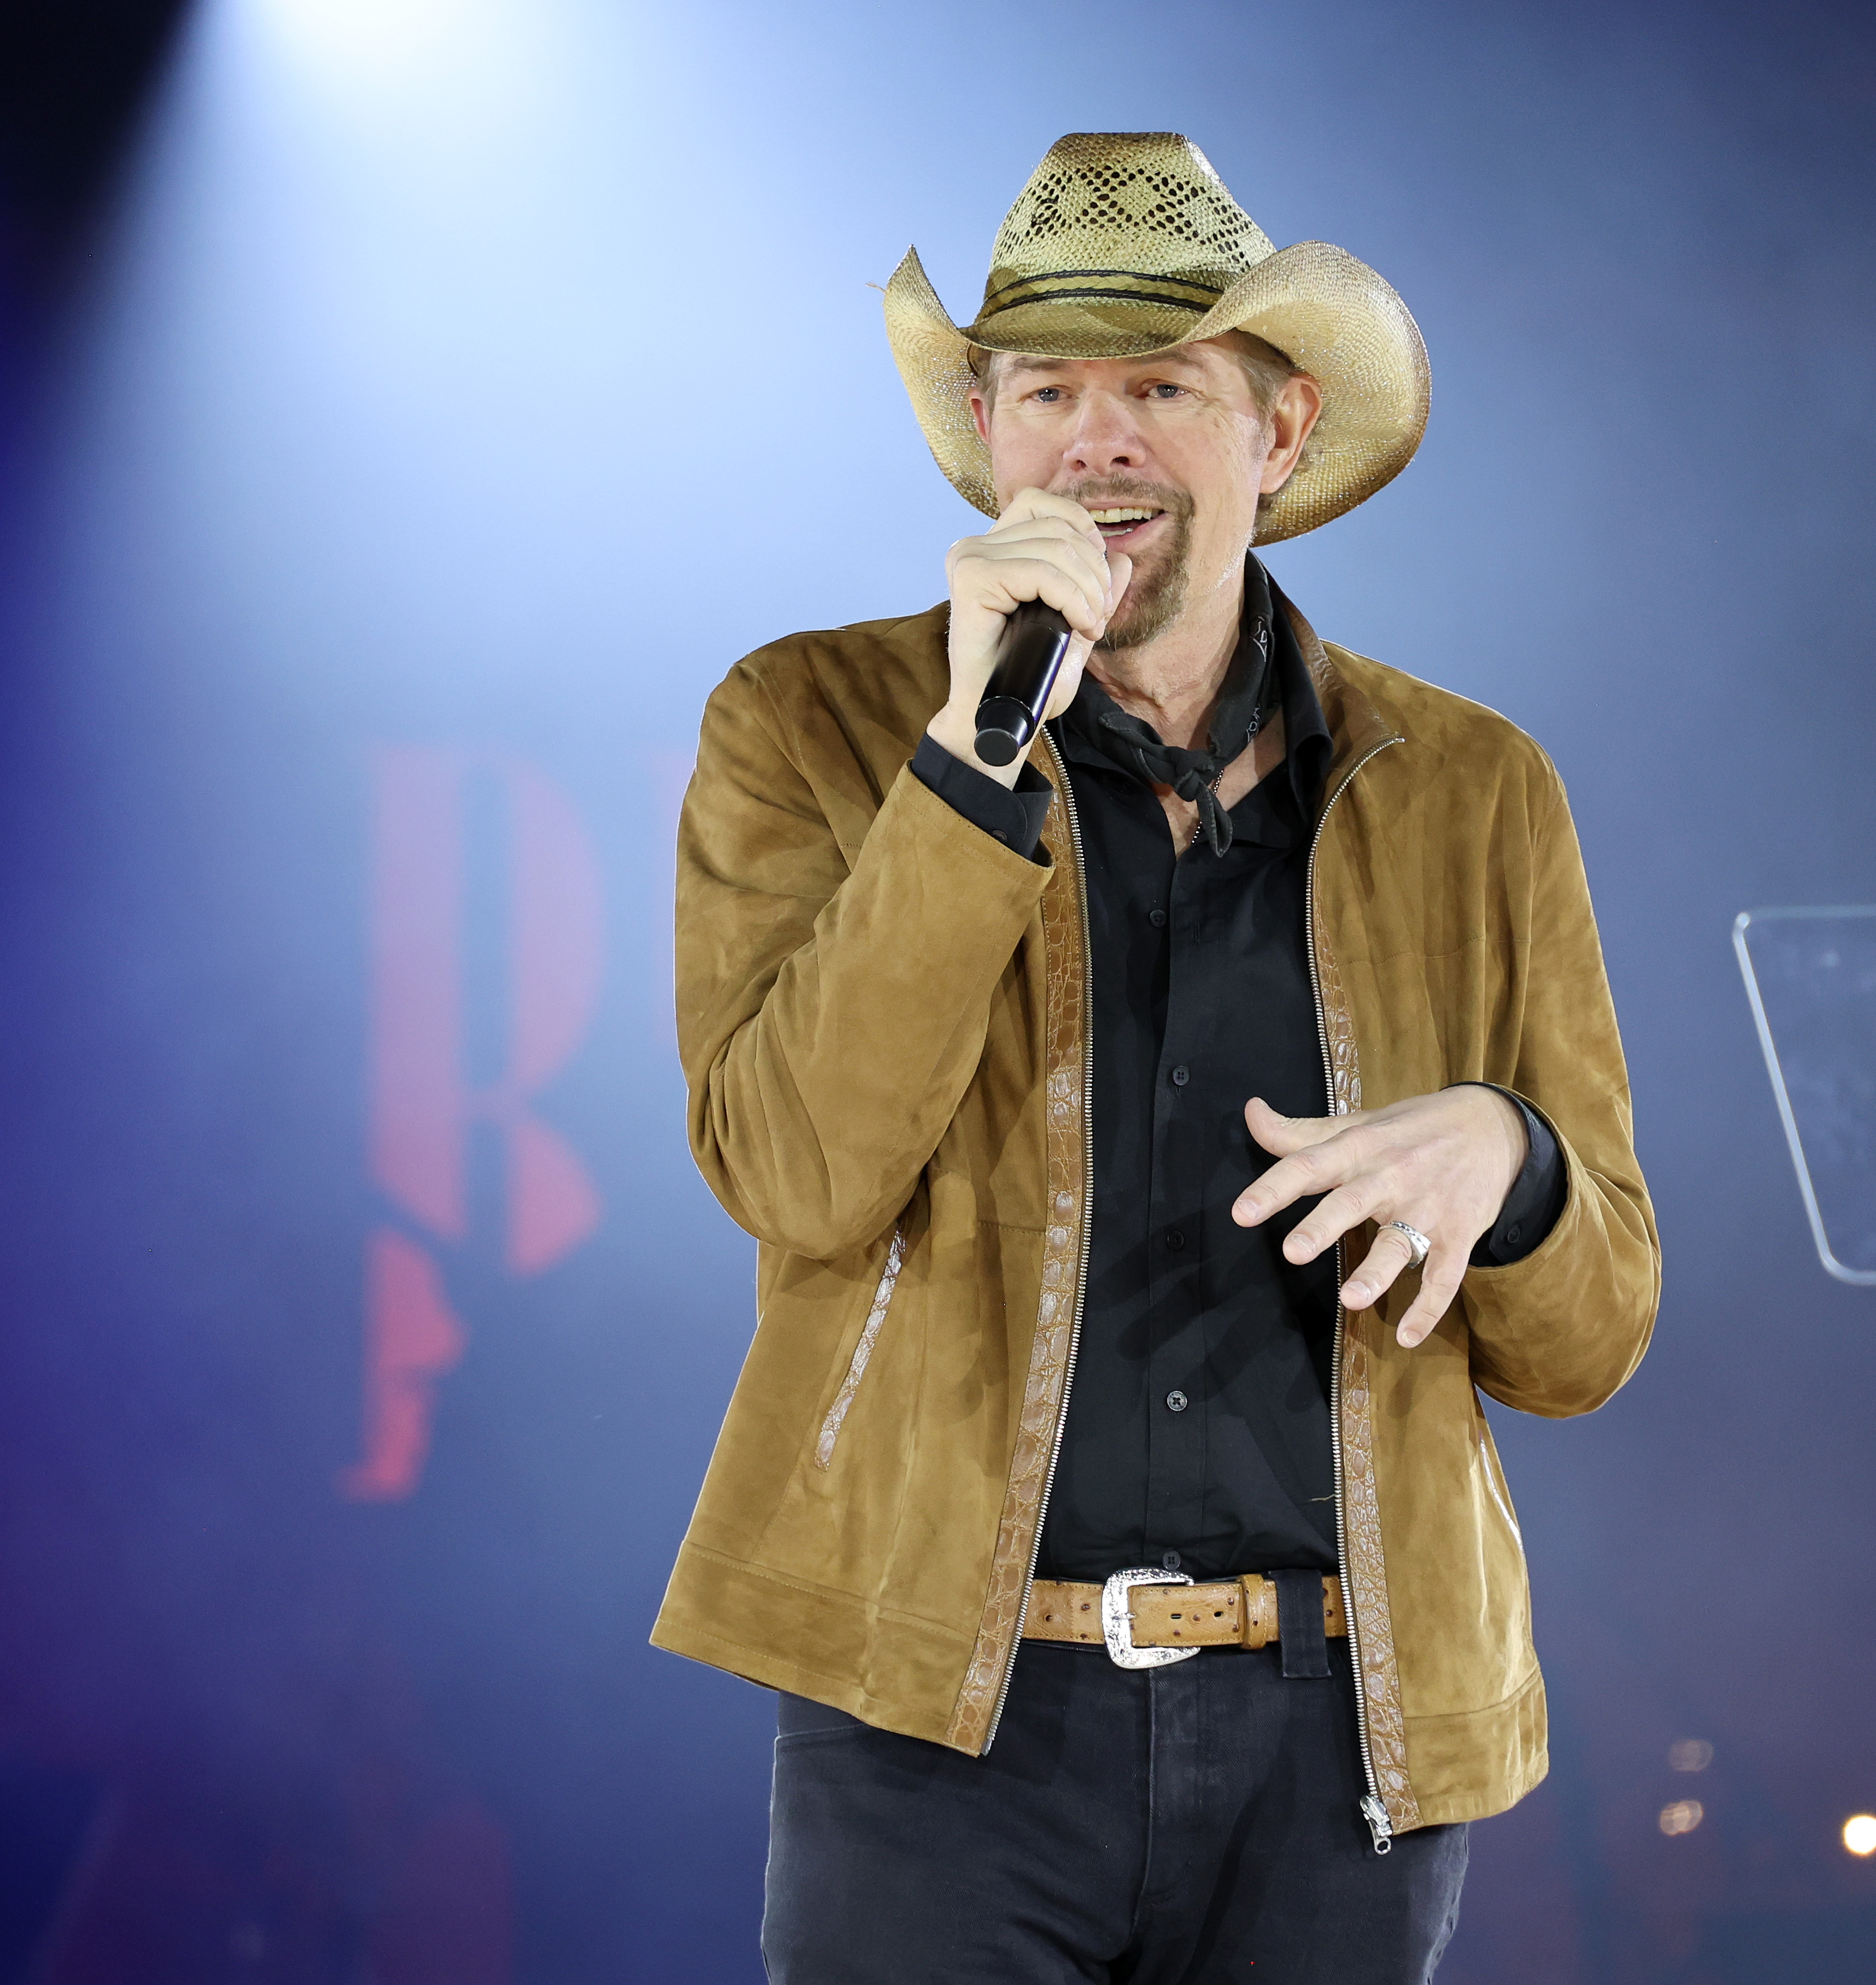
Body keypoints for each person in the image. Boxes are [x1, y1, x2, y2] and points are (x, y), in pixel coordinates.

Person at [651, 132, 1660, 1983]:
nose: (1097, 441)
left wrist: (1508, 1168)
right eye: (1049, 388)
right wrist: (969, 761)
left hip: (1343, 1736)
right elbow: (795, 1169)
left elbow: (1595, 1333)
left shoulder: (1477, 791)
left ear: (1278, 434)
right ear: (985, 427)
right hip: (937, 1729)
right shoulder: (808, 722)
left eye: (1162, 387)